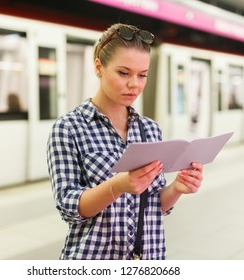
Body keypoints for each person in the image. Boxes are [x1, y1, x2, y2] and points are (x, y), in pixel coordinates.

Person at [46, 23, 203, 260]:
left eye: (142, 75)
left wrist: (177, 188)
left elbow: (152, 206)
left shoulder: (150, 129)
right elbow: (70, 208)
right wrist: (117, 185)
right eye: (124, 73)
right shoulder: (69, 128)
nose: (134, 85)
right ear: (99, 67)